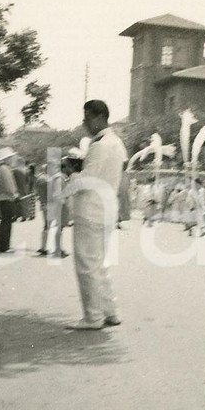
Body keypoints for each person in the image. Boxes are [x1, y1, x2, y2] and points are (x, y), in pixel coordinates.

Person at [67, 100, 127, 330]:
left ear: (100, 117)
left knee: (87, 265)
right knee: (100, 263)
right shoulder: (117, 143)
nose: (85, 124)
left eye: (87, 119)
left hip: (91, 209)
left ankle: (93, 317)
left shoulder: (99, 145)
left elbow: (86, 180)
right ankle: (110, 311)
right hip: (106, 208)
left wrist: (71, 176)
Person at [0, 150, 20, 252]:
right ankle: (5, 247)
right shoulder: (5, 169)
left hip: (4, 197)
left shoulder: (2, 168)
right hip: (7, 198)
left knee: (6, 222)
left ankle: (3, 246)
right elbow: (8, 185)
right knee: (7, 223)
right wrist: (14, 194)